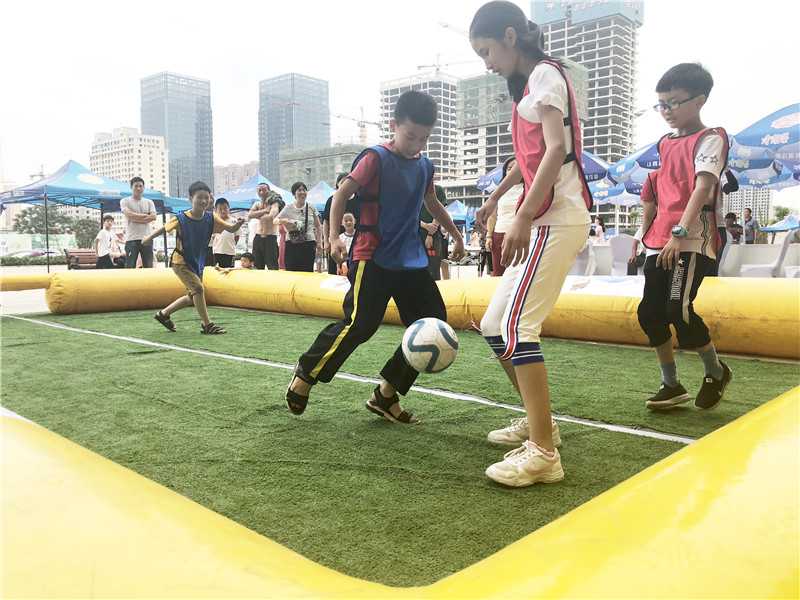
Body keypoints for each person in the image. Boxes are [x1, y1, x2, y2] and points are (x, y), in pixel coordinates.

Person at [284, 90, 465, 422]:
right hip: (373, 257)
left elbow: (433, 203)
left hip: (411, 260)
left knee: (433, 323)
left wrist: (455, 235)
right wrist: (335, 236)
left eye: (424, 138)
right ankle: (307, 372)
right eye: (410, 136)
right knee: (361, 324)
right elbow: (341, 196)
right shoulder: (375, 158)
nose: (416, 145)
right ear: (394, 125)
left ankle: (386, 394)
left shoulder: (425, 165)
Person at [470, 1, 593, 487]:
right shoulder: (528, 87)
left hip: (555, 219)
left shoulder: (544, 74)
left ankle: (544, 452)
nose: (487, 62)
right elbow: (531, 158)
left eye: (486, 51)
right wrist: (495, 199)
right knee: (495, 325)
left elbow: (558, 148)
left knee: (520, 327)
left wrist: (520, 216)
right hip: (542, 218)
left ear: (510, 36)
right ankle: (539, 423)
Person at [637, 62, 732, 413]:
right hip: (659, 240)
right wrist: (646, 236)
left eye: (674, 103)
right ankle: (671, 384)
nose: (666, 112)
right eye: (661, 104)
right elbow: (661, 196)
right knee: (650, 312)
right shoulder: (663, 143)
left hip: (691, 240)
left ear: (700, 100)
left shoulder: (712, 137)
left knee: (678, 307)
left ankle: (715, 371)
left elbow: (703, 187)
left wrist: (679, 234)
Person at [144, 181, 245, 335]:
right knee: (198, 289)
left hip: (197, 262)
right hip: (181, 262)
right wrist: (147, 239)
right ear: (191, 199)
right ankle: (207, 324)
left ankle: (163, 315)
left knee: (192, 297)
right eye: (200, 198)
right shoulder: (181, 218)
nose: (204, 201)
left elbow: (230, 228)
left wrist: (238, 224)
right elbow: (163, 228)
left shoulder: (211, 218)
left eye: (206, 198)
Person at [486, 156, 523, 277]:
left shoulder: (529, 189)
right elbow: (492, 217)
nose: (512, 171)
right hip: (499, 234)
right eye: (509, 169)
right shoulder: (498, 191)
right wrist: (489, 236)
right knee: (499, 273)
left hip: (521, 236)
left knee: (520, 273)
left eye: (516, 168)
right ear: (505, 171)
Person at [275, 182, 322, 272]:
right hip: (292, 244)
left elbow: (318, 226)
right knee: (292, 271)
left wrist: (319, 242)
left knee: (307, 271)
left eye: (304, 190)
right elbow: (275, 221)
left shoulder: (311, 207)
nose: (302, 192)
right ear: (294, 194)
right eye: (299, 190)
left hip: (308, 243)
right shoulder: (288, 208)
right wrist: (283, 221)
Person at [323, 173, 358, 275]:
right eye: (342, 182)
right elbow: (326, 221)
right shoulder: (332, 200)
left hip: (354, 239)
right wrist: (326, 240)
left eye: (348, 182)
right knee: (336, 270)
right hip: (336, 240)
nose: (345, 185)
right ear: (337, 184)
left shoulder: (358, 200)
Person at [120, 176, 157, 268]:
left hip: (147, 238)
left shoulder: (149, 202)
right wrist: (146, 216)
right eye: (136, 186)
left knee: (148, 266)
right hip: (131, 238)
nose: (138, 188)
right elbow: (129, 216)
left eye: (141, 186)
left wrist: (135, 217)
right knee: (130, 266)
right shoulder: (125, 201)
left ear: (144, 188)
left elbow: (153, 217)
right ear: (131, 187)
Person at [248, 183, 282, 270]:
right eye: (259, 190)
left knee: (272, 265)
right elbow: (250, 215)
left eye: (264, 190)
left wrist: (258, 216)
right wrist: (265, 211)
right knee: (257, 265)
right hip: (258, 237)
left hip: (270, 238)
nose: (262, 192)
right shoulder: (257, 204)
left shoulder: (274, 203)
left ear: (269, 191)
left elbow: (271, 216)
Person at [419, 184, 449, 280]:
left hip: (434, 236)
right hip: (416, 235)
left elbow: (440, 211)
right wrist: (425, 225)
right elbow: (409, 214)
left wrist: (430, 232)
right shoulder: (413, 189)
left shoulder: (437, 189)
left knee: (434, 269)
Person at [213, 197, 239, 268]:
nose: (223, 211)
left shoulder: (234, 221)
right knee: (218, 270)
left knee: (229, 271)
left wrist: (233, 244)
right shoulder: (216, 221)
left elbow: (237, 235)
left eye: (225, 208)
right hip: (218, 251)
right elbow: (213, 236)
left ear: (229, 208)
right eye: (220, 209)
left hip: (230, 252)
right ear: (216, 210)